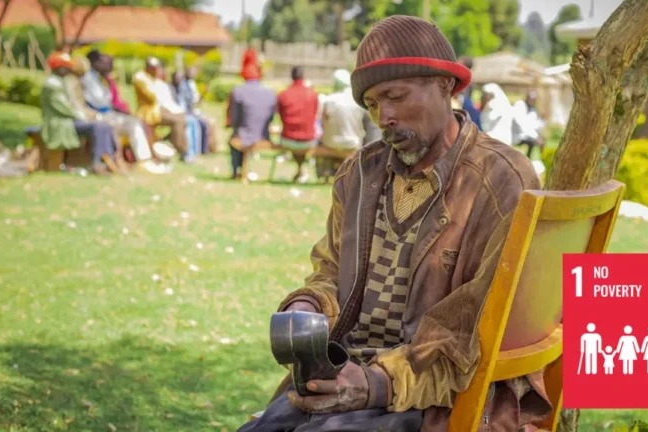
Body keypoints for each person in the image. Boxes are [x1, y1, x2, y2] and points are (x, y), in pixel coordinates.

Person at [238, 15, 550, 432]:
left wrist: (377, 382)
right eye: (371, 105)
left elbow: (470, 329)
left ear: (445, 85)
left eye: (396, 96)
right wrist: (308, 307)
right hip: (347, 374)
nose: (383, 116)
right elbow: (330, 273)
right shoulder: (359, 174)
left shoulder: (499, 180)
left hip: (438, 395)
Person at [76, 52, 160, 172]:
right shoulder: (87, 79)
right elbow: (99, 102)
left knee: (134, 122)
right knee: (113, 126)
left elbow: (111, 100)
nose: (104, 64)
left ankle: (144, 160)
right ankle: (115, 160)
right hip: (97, 115)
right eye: (101, 61)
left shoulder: (102, 78)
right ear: (93, 62)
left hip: (110, 113)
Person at [40, 51, 119, 176]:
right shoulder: (52, 84)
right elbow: (65, 108)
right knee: (97, 126)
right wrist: (85, 117)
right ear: (58, 67)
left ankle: (109, 159)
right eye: (66, 67)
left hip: (70, 120)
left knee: (105, 125)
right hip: (61, 123)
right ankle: (96, 163)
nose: (69, 70)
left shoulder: (61, 81)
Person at [227, 48, 277, 180]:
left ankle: (236, 170)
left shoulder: (238, 92)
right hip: (264, 135)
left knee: (234, 137)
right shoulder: (270, 93)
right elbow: (271, 117)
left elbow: (234, 119)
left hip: (243, 136)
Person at [316, 68, 373, 180]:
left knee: (321, 142)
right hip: (353, 142)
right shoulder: (358, 101)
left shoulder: (329, 100)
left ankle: (325, 174)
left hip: (331, 142)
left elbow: (322, 123)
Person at [132, 57, 188, 157]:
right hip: (148, 112)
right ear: (148, 67)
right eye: (155, 68)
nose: (157, 71)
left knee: (182, 119)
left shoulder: (151, 77)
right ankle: (181, 149)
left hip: (158, 109)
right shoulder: (140, 78)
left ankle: (178, 146)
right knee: (178, 121)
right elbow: (152, 98)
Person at [276, 66, 319, 182]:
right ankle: (300, 170)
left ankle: (299, 171)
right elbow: (314, 115)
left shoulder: (283, 94)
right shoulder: (312, 94)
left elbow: (281, 116)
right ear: (303, 76)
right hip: (309, 140)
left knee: (293, 139)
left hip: (288, 139)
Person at [173, 71, 209, 156]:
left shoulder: (190, 85)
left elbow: (195, 101)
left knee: (204, 123)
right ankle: (189, 152)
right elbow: (181, 105)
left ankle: (200, 150)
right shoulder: (178, 88)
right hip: (182, 113)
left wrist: (203, 93)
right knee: (192, 124)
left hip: (190, 112)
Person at [512, 90, 545, 159]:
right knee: (533, 141)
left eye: (534, 99)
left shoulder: (532, 110)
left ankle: (536, 160)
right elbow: (522, 126)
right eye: (531, 99)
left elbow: (534, 126)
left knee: (542, 140)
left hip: (526, 136)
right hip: (516, 136)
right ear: (527, 98)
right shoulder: (519, 105)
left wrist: (542, 121)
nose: (532, 101)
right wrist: (536, 137)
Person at [456, 56, 481, 130]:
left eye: (460, 62)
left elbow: (462, 96)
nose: (457, 63)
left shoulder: (464, 79)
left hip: (463, 104)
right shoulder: (470, 79)